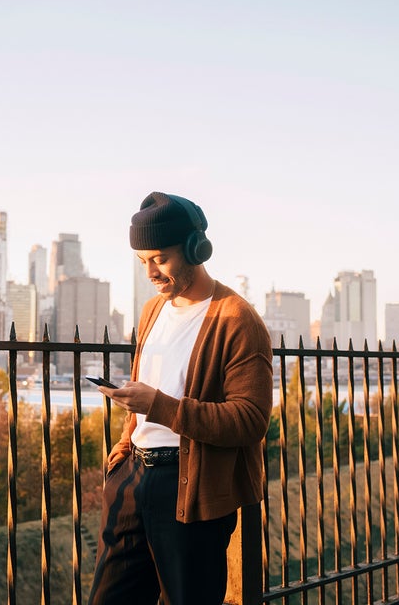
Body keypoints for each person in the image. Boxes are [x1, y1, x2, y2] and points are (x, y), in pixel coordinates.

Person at [88, 192, 273, 605]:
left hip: (191, 488)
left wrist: (159, 406)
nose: (150, 272)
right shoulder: (153, 309)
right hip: (133, 479)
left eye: (159, 258)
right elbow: (148, 386)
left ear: (195, 248)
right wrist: (123, 449)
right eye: (142, 263)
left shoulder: (238, 320)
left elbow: (250, 419)